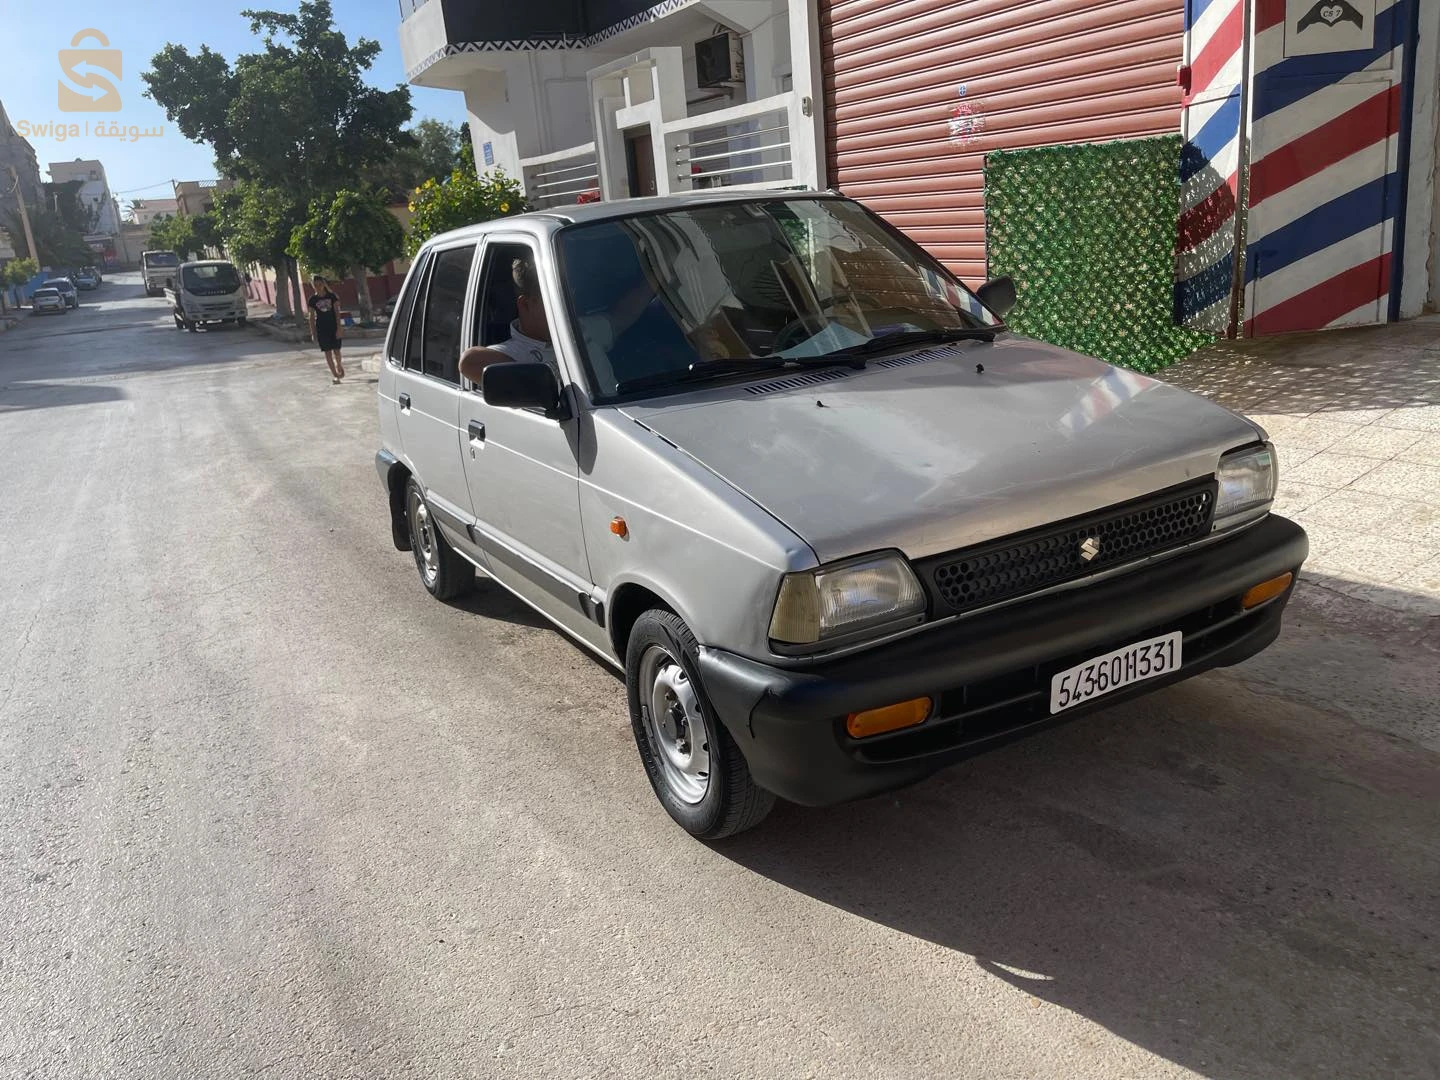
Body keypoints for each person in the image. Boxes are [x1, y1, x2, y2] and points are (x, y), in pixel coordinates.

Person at [306, 275, 345, 383]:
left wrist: (339, 328)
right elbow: (311, 317)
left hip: (333, 326)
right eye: (315, 285)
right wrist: (313, 333)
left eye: (320, 284)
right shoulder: (312, 300)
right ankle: (335, 375)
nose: (318, 287)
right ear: (313, 286)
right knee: (327, 352)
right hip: (322, 329)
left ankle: (339, 365)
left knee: (337, 351)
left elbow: (337, 313)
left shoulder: (332, 296)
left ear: (324, 284)